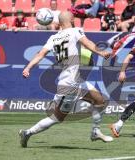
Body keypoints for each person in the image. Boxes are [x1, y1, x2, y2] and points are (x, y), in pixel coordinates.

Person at [19, 11, 113, 148]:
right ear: (72, 19)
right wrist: (101, 52)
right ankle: (27, 133)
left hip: (73, 81)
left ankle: (95, 131)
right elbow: (88, 43)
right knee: (58, 118)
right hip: (69, 84)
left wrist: (28, 68)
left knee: (99, 100)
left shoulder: (53, 38)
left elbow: (40, 54)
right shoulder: (76, 31)